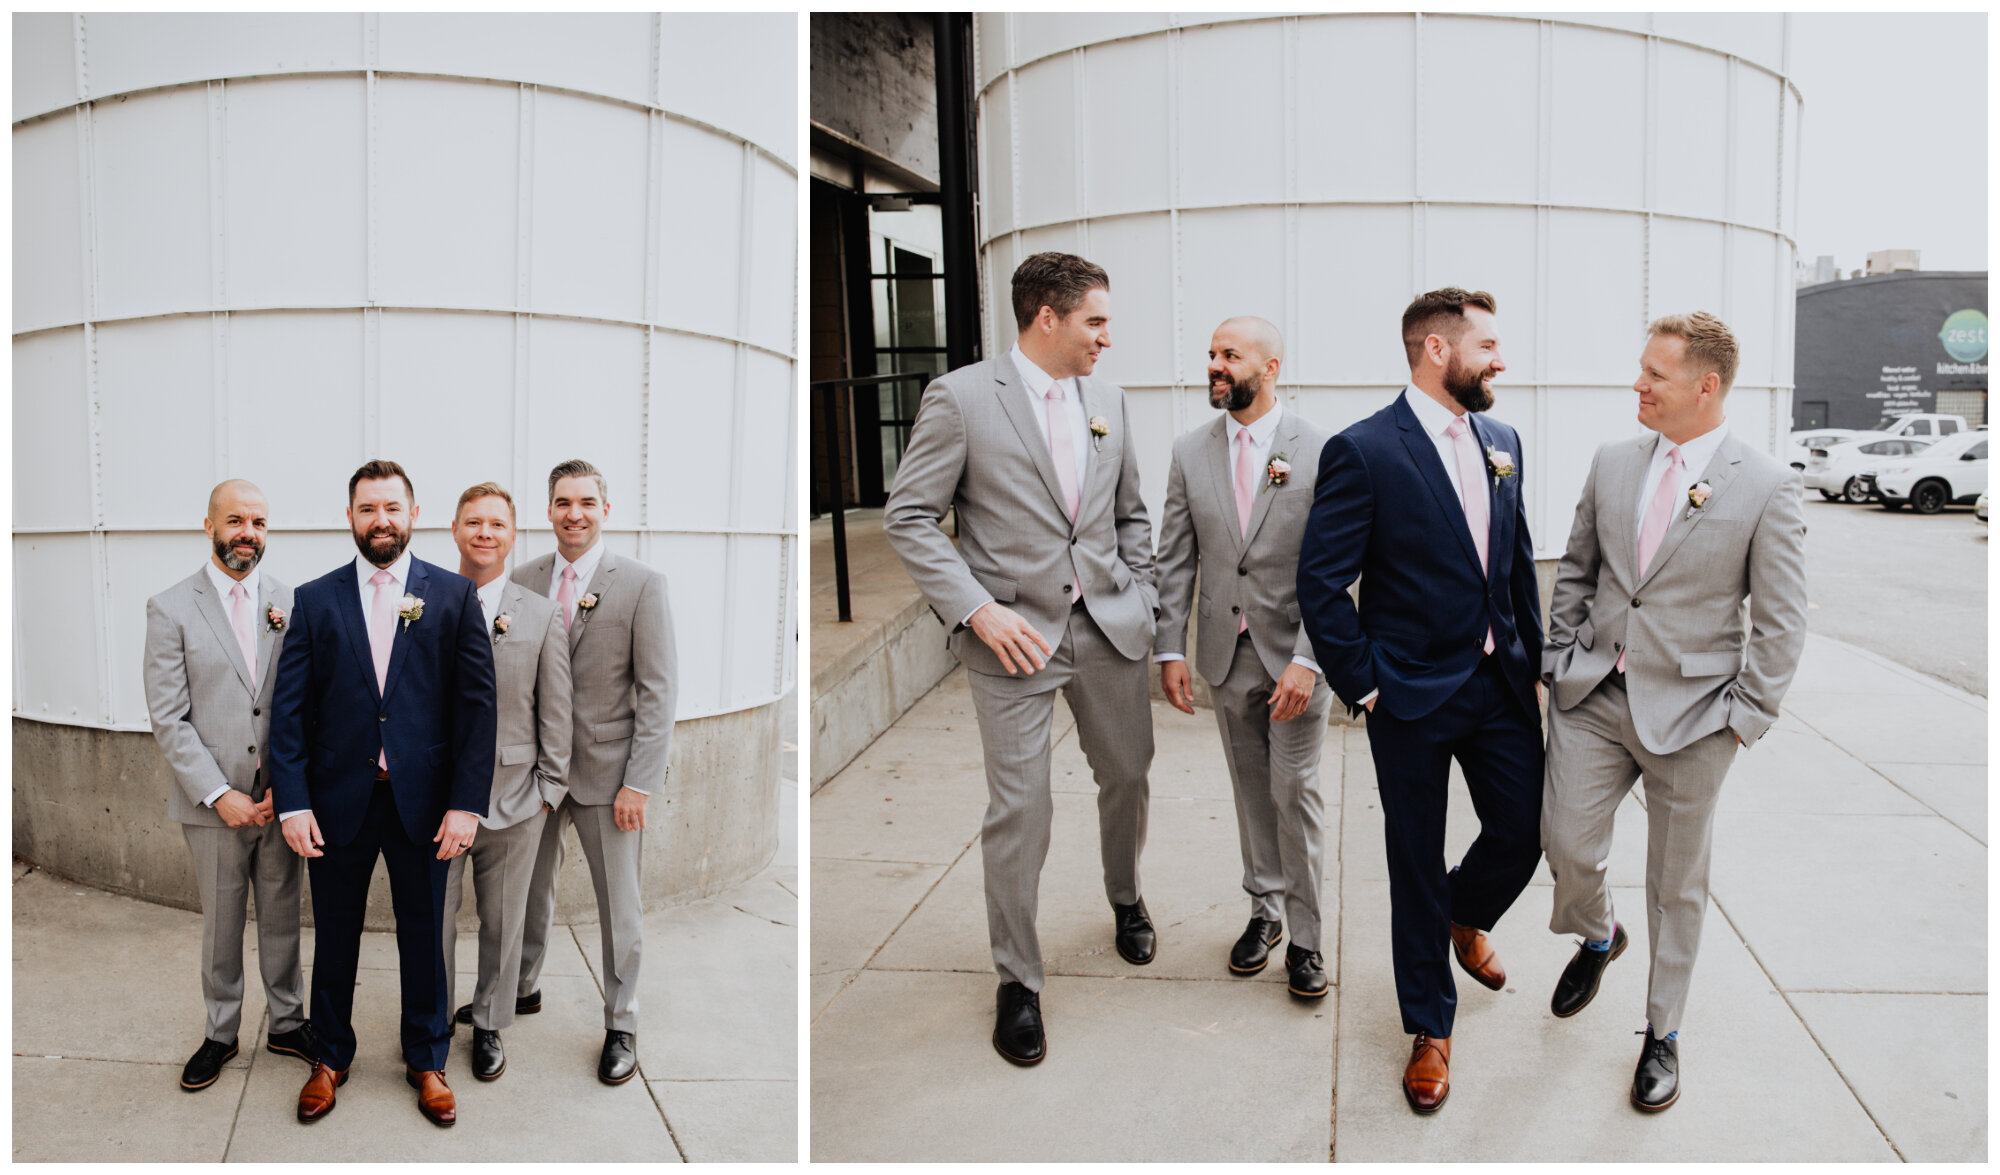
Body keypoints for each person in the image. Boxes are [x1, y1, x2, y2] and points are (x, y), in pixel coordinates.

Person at [883, 251, 1159, 1067]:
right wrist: (976, 606)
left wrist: (1138, 595)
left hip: (1107, 626)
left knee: (1129, 774)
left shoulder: (1108, 399)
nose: (1107, 337)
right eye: (1096, 321)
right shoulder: (962, 397)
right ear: (1048, 317)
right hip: (1009, 640)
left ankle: (1126, 895)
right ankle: (1018, 980)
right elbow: (908, 516)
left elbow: (1129, 514)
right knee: (1020, 809)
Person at [1540, 312, 1807, 1112]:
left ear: (1706, 385)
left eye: (1655, 374)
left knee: (1676, 885)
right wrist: (1559, 663)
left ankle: (1664, 1032)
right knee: (1566, 843)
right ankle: (1598, 932)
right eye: (1641, 369)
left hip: (1697, 715)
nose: (1639, 385)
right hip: (1595, 694)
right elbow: (1577, 569)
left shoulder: (1765, 483)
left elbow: (1784, 619)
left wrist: (1743, 716)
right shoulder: (1613, 461)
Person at [1297, 288, 1545, 1114]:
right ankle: (1430, 1027)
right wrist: (1363, 682)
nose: (1501, 359)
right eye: (1488, 344)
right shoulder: (1364, 449)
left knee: (1525, 828)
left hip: (1498, 682)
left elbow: (1514, 563)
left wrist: (1532, 663)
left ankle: (1465, 913)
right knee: (1414, 860)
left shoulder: (1504, 440)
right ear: (1437, 350)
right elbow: (1322, 581)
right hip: (1406, 692)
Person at [269, 459, 496, 1126]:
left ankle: (426, 1059)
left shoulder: (453, 596)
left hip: (424, 803)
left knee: (426, 935)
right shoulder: (315, 598)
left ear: (413, 513)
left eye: (391, 507)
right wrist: (293, 800)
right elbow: (289, 711)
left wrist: (466, 802)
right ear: (350, 517)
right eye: (368, 508)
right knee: (334, 933)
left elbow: (477, 708)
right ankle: (330, 1055)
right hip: (338, 799)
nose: (380, 520)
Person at [1154, 316, 1336, 998]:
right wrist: (1168, 646)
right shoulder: (1188, 451)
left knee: (1297, 792)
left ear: (1272, 366)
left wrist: (1312, 660)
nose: (1215, 365)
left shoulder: (1320, 449)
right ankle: (1265, 909)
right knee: (1250, 790)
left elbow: (1338, 566)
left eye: (1230, 354)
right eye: (1210, 354)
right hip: (1223, 653)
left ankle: (1308, 937)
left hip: (1295, 658)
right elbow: (1175, 557)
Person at [143, 479, 316, 1091]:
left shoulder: (288, 600)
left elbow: (300, 703)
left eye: (260, 523)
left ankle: (288, 1023)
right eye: (237, 521)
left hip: (277, 800)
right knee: (222, 923)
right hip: (214, 804)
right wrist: (221, 794)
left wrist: (288, 789)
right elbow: (169, 717)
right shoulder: (170, 607)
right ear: (210, 525)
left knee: (281, 915)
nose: (249, 533)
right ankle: (220, 1032)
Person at [511, 459, 677, 1085]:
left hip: (610, 778)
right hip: (534, 778)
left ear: (605, 509)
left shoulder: (640, 583)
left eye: (585, 502)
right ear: (548, 510)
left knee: (620, 907)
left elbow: (658, 690)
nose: (573, 513)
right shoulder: (523, 581)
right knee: (524, 894)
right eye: (562, 502)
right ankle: (521, 989)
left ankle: (622, 1022)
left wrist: (640, 781)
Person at [443, 482, 572, 1082]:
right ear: (456, 530)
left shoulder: (542, 613)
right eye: (474, 522)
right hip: (438, 801)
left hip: (518, 796)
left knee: (504, 920)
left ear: (513, 535)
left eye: (497, 523)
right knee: (434, 919)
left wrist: (547, 792)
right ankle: (432, 1018)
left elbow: (557, 710)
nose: (485, 533)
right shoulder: (425, 603)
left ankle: (491, 1021)